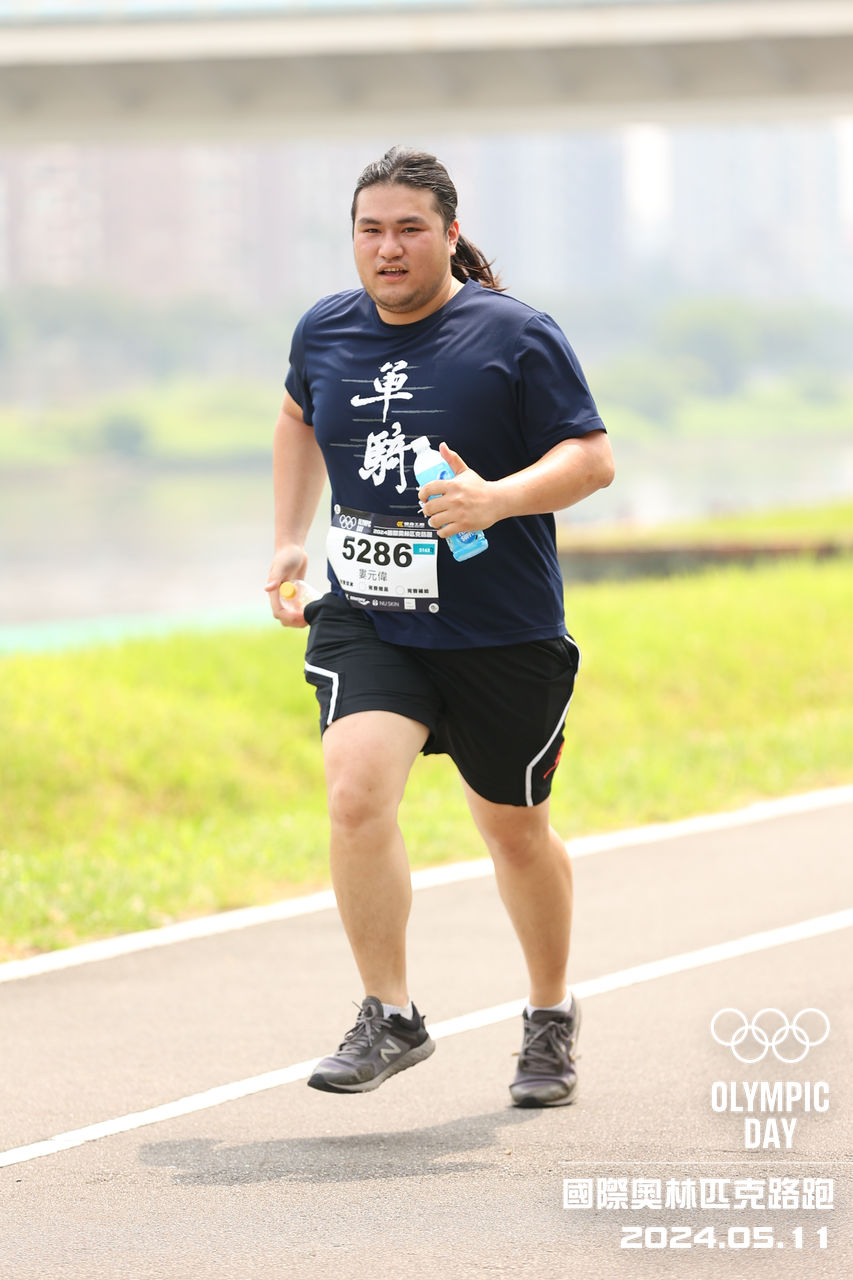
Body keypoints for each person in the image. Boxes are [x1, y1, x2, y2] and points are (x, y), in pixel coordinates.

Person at [265, 146, 614, 1106]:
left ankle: (548, 1013)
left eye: (410, 229)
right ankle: (390, 1013)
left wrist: (496, 498)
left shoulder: (514, 334)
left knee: (514, 831)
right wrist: (290, 538)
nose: (388, 248)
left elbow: (591, 460)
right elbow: (296, 416)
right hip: (370, 617)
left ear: (450, 236)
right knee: (353, 793)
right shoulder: (326, 329)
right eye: (370, 230)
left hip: (501, 629)